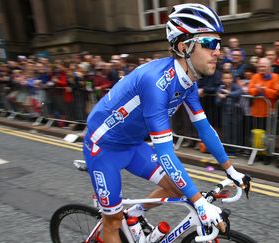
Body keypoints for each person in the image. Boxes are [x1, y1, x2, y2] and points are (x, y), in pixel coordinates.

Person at [82, 4, 250, 243]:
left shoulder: (188, 82)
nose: (218, 51)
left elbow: (204, 129)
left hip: (132, 145)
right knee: (112, 221)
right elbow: (165, 153)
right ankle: (121, 220)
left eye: (219, 44)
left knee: (175, 187)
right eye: (210, 44)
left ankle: (135, 214)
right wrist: (200, 204)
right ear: (185, 47)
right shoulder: (155, 83)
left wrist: (232, 171)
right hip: (103, 148)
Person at [216, 70, 243, 156]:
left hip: (236, 113)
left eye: (229, 78)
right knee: (226, 131)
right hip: (225, 113)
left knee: (234, 131)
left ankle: (234, 150)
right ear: (222, 79)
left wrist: (228, 94)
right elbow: (217, 102)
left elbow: (239, 92)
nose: (227, 80)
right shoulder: (221, 88)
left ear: (232, 79)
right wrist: (220, 98)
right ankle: (227, 149)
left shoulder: (236, 86)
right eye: (225, 78)